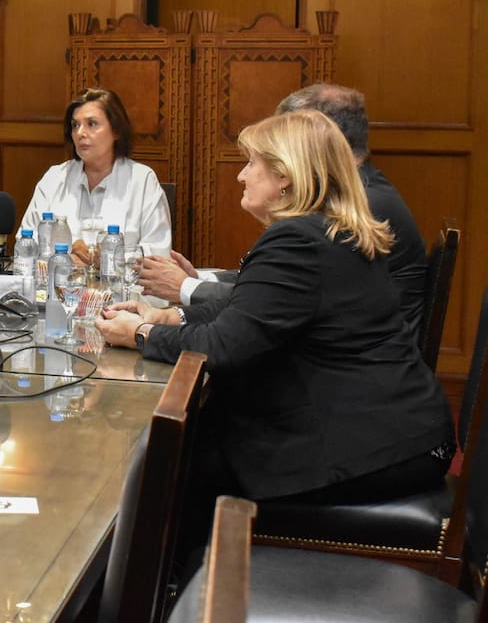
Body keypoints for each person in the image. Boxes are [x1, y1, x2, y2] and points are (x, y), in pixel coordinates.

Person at [97, 110, 453, 549]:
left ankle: (179, 583)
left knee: (174, 466)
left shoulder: (297, 241)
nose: (241, 176)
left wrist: (141, 334)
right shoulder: (331, 230)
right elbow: (251, 310)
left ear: (284, 175)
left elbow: (222, 347)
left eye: (251, 163)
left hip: (375, 448)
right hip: (404, 431)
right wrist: (169, 318)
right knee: (198, 442)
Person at [139, 84, 428, 347]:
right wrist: (180, 307)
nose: (241, 175)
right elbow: (273, 291)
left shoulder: (352, 209)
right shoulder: (345, 201)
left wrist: (144, 330)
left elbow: (252, 317)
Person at [17, 88, 171, 262]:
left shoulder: (142, 181)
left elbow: (158, 253)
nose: (80, 133)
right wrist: (68, 252)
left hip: (118, 279)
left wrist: (104, 259)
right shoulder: (54, 179)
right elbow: (25, 243)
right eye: (75, 125)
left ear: (116, 130)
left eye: (92, 124)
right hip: (60, 278)